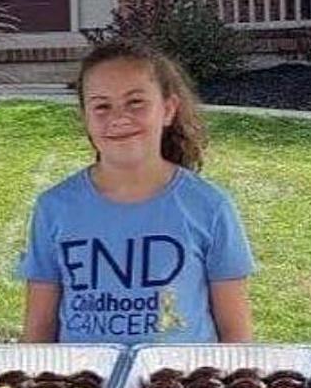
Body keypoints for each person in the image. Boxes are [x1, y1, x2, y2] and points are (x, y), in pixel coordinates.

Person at [19, 41, 255, 345]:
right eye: (102, 106)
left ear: (168, 110)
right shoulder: (54, 207)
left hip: (182, 387)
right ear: (85, 118)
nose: (119, 117)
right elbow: (38, 328)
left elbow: (236, 333)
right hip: (84, 386)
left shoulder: (210, 206)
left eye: (135, 102)